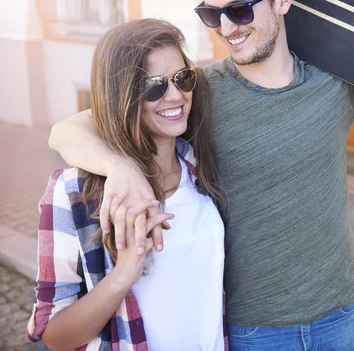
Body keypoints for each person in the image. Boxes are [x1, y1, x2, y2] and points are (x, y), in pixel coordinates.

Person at [48, 0, 354, 349]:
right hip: (250, 331)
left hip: (340, 315)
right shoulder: (196, 90)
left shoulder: (336, 84)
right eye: (212, 13)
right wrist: (119, 166)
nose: (226, 28)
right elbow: (69, 130)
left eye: (239, 10)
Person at [27, 19, 228, 350]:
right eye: (154, 86)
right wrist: (124, 273)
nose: (176, 95)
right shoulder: (72, 192)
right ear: (122, 95)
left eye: (183, 78)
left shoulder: (201, 167)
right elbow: (55, 335)